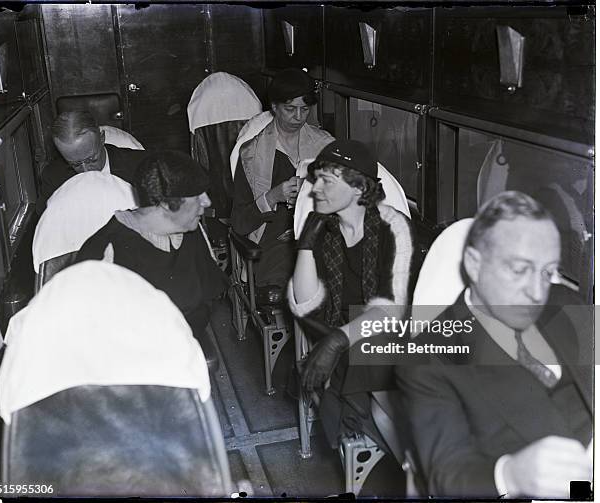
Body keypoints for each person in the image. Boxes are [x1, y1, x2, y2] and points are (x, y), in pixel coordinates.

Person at [396, 191, 592, 498]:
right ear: (474, 264)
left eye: (547, 272)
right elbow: (446, 474)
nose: (538, 292)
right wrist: (510, 475)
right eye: (519, 270)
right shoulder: (429, 357)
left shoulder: (568, 304)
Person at [287, 139, 414, 448]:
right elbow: (306, 305)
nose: (314, 189)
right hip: (340, 330)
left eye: (326, 181)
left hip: (389, 331)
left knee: (373, 358)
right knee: (381, 402)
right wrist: (305, 243)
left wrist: (338, 339)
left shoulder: (394, 227)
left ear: (358, 188)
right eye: (316, 179)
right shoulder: (323, 228)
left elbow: (393, 309)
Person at [75, 150, 228, 338]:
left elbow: (209, 296)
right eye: (197, 195)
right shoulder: (107, 252)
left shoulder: (191, 231)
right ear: (165, 203)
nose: (207, 201)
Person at [230, 68, 334, 293]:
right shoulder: (251, 154)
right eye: (290, 109)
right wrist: (272, 197)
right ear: (274, 107)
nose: (298, 117)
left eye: (304, 109)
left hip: (321, 232)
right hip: (276, 240)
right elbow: (239, 222)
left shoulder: (325, 145)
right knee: (299, 276)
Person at [37, 111, 147, 214]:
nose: (85, 170)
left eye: (91, 159)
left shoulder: (139, 165)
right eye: (75, 164)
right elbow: (47, 222)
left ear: (102, 138)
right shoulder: (53, 178)